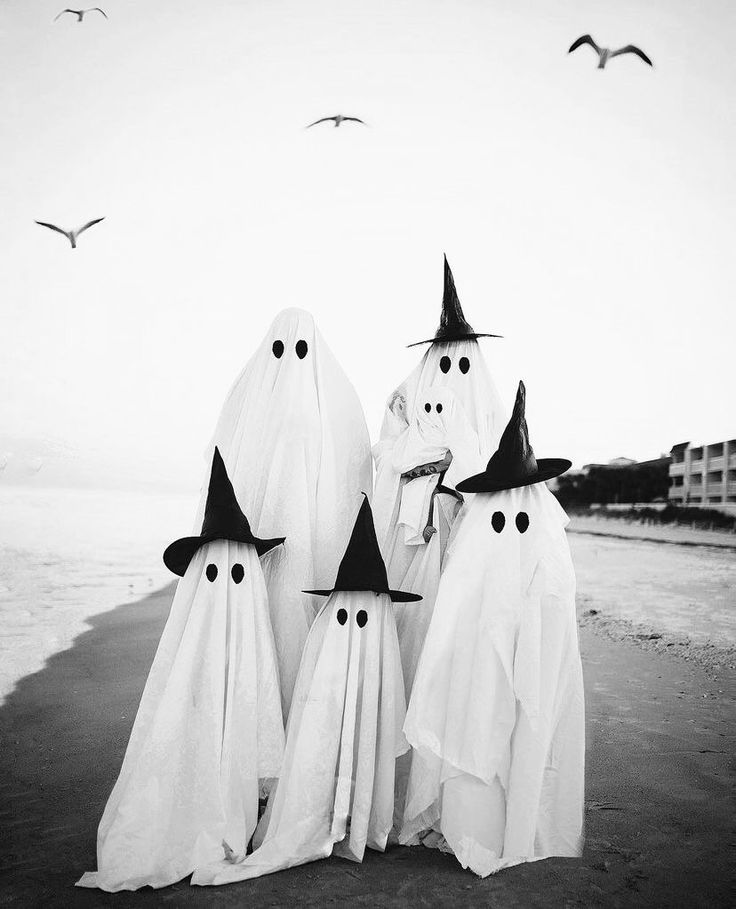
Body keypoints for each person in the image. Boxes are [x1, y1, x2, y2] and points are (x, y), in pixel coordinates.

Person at [78, 449, 286, 891]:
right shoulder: (193, 635)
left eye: (236, 572)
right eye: (213, 571)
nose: (227, 585)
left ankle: (226, 812)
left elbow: (260, 696)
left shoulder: (251, 631)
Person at [401, 382, 585, 878]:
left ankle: (513, 824)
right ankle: (470, 827)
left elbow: (554, 616)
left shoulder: (546, 553)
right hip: (477, 662)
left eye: (517, 516)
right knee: (476, 721)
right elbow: (452, 623)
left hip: (526, 655)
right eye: (497, 515)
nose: (507, 524)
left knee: (524, 729)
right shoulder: (474, 549)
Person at [191, 495, 421, 886]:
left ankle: (357, 817)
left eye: (363, 617)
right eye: (345, 616)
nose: (352, 629)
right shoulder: (324, 659)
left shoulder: (373, 659)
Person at [198, 308, 372, 718]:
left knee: (291, 617)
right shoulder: (256, 401)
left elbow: (349, 469)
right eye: (279, 348)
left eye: (298, 349)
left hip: (306, 536)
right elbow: (228, 466)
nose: (289, 358)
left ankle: (289, 714)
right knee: (256, 618)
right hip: (255, 531)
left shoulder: (326, 407)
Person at [379, 255, 507, 461]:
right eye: (444, 364)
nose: (453, 376)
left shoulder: (488, 407)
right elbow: (388, 445)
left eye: (464, 364)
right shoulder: (408, 400)